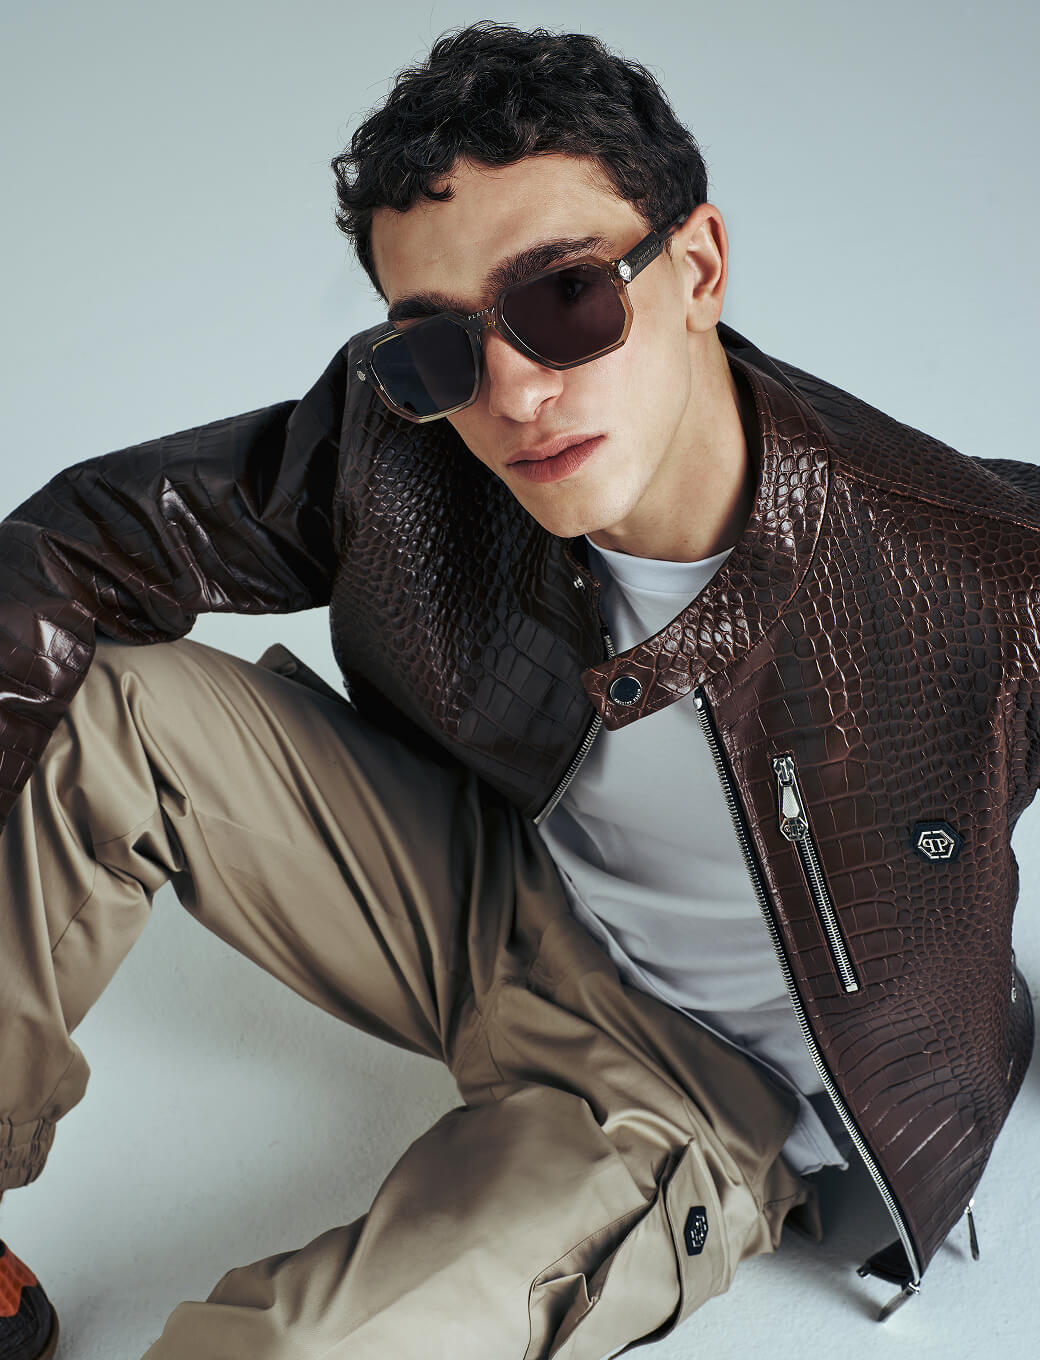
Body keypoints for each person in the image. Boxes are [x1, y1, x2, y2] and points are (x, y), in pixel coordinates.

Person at [0, 19, 1035, 1360]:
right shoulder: (405, 441)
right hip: (496, 891)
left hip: (707, 1087)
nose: (514, 393)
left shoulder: (977, 576)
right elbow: (83, 545)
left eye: (564, 301)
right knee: (94, 700)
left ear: (698, 267)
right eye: (437, 348)